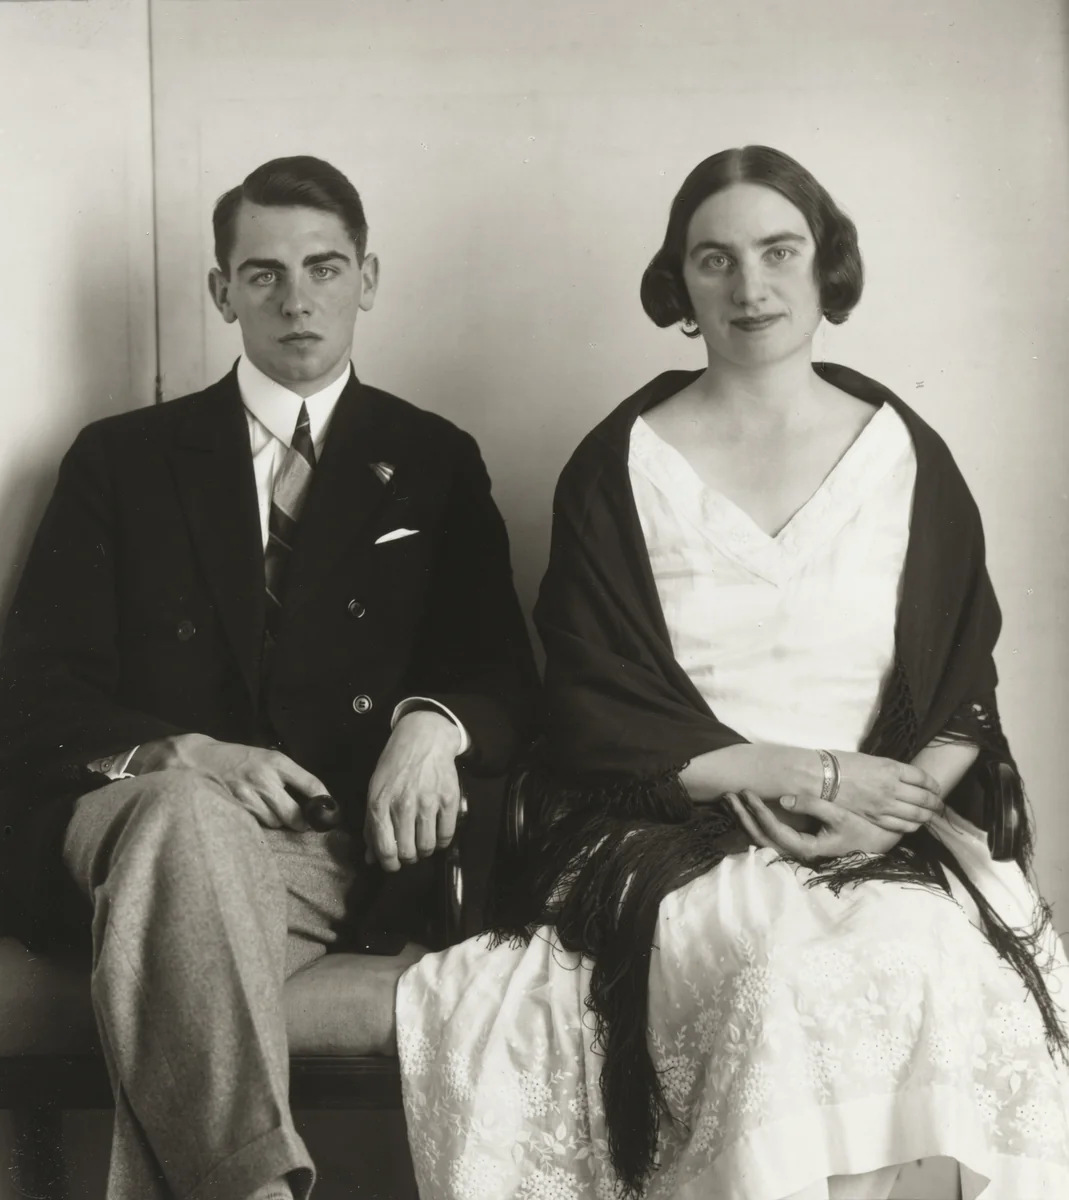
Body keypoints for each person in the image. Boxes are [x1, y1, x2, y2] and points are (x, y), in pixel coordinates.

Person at [393, 147, 1069, 1198]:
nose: (749, 287)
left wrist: (890, 808)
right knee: (783, 969)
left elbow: (961, 687)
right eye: (714, 260)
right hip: (674, 827)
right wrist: (793, 771)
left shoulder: (904, 455)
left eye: (777, 252)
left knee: (919, 951)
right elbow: (587, 708)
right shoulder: (621, 465)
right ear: (679, 283)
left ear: (824, 267)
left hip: (883, 832)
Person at [0, 155, 536, 1200]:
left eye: (324, 269)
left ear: (368, 279)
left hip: (321, 849)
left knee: (199, 883)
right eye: (263, 275)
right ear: (221, 292)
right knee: (185, 820)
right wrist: (182, 754)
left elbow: (500, 675)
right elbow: (32, 691)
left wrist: (431, 726)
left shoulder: (431, 457)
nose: (297, 300)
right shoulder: (120, 459)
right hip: (113, 831)